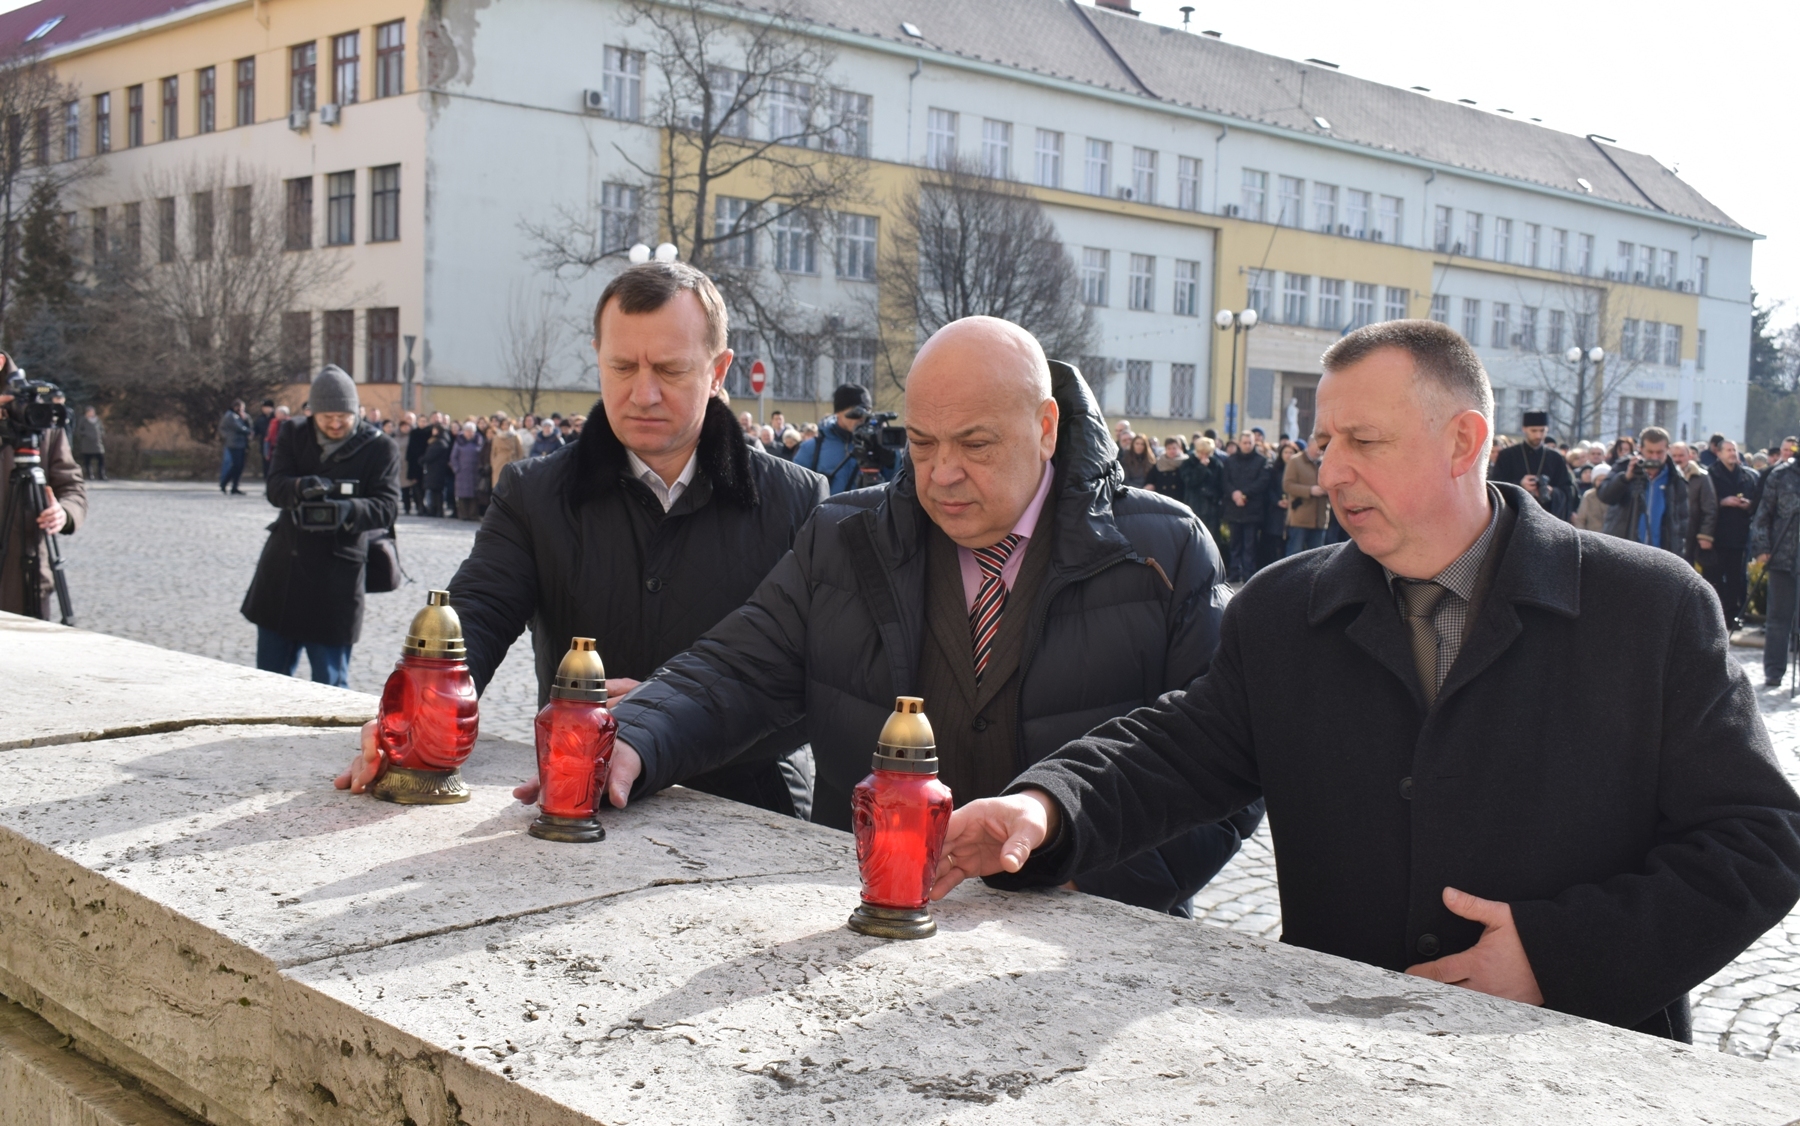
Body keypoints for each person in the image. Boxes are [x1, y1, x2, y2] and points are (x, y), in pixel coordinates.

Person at [933, 318, 1800, 1043]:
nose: (1329, 471)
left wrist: (1558, 955)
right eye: (1323, 441)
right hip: (1343, 1052)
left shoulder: (1648, 608)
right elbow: (1175, 747)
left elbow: (1757, 842)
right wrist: (1043, 808)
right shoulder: (1284, 608)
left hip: (1577, 1066)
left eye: (1364, 442)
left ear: (1464, 441)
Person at [588, 316, 1259, 917]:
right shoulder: (846, 537)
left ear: (1046, 427)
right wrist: (637, 737)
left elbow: (1220, 754)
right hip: (872, 918)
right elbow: (738, 666)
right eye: (923, 442)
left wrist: (1087, 877)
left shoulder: (1162, 550)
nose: (942, 474)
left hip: (1085, 942)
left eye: (975, 444)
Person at [336, 261, 827, 818]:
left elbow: (816, 679)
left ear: (718, 371)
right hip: (578, 793)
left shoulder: (797, 500)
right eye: (621, 366)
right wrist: (419, 711)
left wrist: (669, 715)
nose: (642, 393)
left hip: (749, 802)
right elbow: (477, 613)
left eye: (669, 369)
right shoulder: (535, 492)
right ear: (598, 358)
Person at [241, 366, 400, 687]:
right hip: (285, 569)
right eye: (327, 417)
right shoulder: (293, 434)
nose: (336, 423)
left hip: (336, 580)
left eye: (344, 416)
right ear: (312, 412)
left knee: (330, 684)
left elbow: (388, 507)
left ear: (357, 411)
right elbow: (275, 488)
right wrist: (301, 487)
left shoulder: (380, 447)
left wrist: (347, 510)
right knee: (269, 682)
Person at [1751, 446, 1800, 687]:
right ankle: (1774, 671)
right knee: (1778, 619)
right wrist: (1762, 547)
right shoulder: (1780, 475)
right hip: (1783, 557)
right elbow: (1763, 515)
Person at [793, 384, 898, 494]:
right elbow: (796, 491)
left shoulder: (879, 444)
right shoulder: (812, 448)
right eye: (857, 412)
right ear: (838, 413)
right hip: (826, 510)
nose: (862, 418)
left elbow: (898, 486)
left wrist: (890, 458)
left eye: (867, 411)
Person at [1598, 427, 1686, 554]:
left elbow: (1682, 519)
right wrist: (1625, 477)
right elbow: (1604, 495)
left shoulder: (1675, 478)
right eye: (1650, 452)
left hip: (1660, 552)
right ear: (1640, 449)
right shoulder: (1624, 466)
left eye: (1660, 452)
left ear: (1668, 449)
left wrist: (1677, 549)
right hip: (1624, 548)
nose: (1655, 457)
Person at [1709, 440, 1759, 630]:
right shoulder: (1712, 475)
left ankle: (1733, 615)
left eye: (1734, 450)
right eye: (1728, 450)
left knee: (1736, 579)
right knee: (1715, 577)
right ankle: (1715, 615)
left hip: (1738, 536)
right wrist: (1722, 501)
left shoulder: (1746, 476)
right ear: (1719, 453)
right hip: (1717, 535)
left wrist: (1748, 505)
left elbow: (1755, 502)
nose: (1732, 454)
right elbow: (1707, 502)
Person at [1492, 411, 1574, 520]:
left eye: (1542, 431)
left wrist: (1552, 491)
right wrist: (1519, 484)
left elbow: (1567, 490)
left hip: (1547, 517)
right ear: (1524, 429)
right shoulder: (1507, 455)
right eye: (1534, 431)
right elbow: (1496, 485)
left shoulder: (1556, 457)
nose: (1538, 435)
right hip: (1516, 517)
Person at [1221, 431, 1267, 582]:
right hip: (1234, 508)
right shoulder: (1230, 460)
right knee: (1234, 544)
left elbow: (1262, 482)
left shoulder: (1261, 461)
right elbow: (1225, 481)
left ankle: (1249, 575)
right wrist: (1234, 494)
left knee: (1250, 545)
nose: (1247, 445)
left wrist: (1244, 494)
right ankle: (1234, 573)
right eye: (1244, 442)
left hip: (1252, 508)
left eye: (1250, 443)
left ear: (1254, 443)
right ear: (1239, 443)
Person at [1669, 441, 1717, 566]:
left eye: (1681, 455)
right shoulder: (1666, 476)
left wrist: (1705, 535)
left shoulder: (1701, 477)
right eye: (1674, 456)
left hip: (1692, 534)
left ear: (1689, 456)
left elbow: (1709, 508)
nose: (1677, 459)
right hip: (1669, 531)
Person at [1283, 438, 1328, 555]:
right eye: (1318, 447)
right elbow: (1287, 485)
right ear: (1309, 446)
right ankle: (1292, 574)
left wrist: (1326, 490)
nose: (1320, 451)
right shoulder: (1295, 461)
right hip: (1300, 518)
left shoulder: (1326, 462)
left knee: (1317, 556)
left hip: (1320, 518)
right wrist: (1310, 490)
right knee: (1294, 554)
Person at [1180, 435, 1224, 542]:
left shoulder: (1216, 464)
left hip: (1211, 508)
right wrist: (1201, 468)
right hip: (1194, 504)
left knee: (1211, 539)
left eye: (1207, 453)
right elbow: (1189, 481)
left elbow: (1221, 485)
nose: (1204, 456)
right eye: (1201, 453)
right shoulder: (1188, 463)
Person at [450, 421, 483, 520]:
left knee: (474, 495)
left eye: (471, 431)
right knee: (462, 495)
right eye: (467, 431)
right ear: (464, 431)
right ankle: (463, 515)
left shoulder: (479, 440)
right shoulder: (459, 441)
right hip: (462, 472)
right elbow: (453, 457)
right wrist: (456, 468)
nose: (469, 433)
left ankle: (473, 515)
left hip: (475, 472)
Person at [218, 399, 252, 495]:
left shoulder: (238, 416)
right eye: (242, 408)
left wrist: (246, 419)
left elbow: (249, 424)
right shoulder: (231, 416)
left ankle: (234, 486)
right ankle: (224, 483)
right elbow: (239, 428)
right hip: (234, 443)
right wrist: (248, 430)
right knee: (236, 465)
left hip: (241, 443)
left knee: (239, 466)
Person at [421, 421, 452, 517]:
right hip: (434, 469)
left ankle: (438, 510)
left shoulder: (440, 442)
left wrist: (421, 460)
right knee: (434, 491)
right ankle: (435, 510)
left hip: (437, 470)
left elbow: (430, 456)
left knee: (437, 491)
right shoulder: (439, 441)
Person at [1571, 463, 1610, 531]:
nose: (1602, 483)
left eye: (1604, 480)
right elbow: (1580, 520)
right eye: (1599, 480)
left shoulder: (1615, 496)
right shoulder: (1589, 496)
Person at [73, 406, 105, 481]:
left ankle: (102, 475)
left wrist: (100, 434)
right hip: (87, 444)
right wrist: (86, 434)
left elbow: (102, 429)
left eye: (92, 412)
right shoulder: (83, 420)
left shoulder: (98, 420)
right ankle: (90, 475)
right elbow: (78, 430)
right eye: (89, 412)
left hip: (97, 443)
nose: (91, 413)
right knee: (87, 460)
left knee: (101, 459)